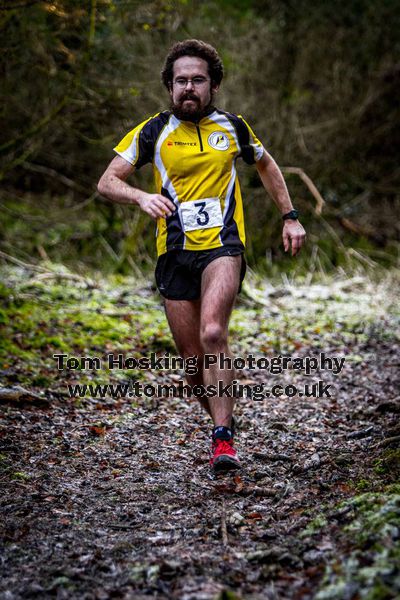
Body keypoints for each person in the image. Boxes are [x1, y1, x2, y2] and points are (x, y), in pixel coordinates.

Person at [97, 39, 306, 473]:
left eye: (197, 80)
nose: (188, 88)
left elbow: (267, 165)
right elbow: (107, 181)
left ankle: (223, 439)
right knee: (193, 363)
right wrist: (139, 197)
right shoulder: (152, 132)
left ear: (212, 86)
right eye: (180, 81)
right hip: (173, 253)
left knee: (214, 333)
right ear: (169, 86)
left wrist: (290, 216)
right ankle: (220, 423)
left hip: (223, 247)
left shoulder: (233, 127)